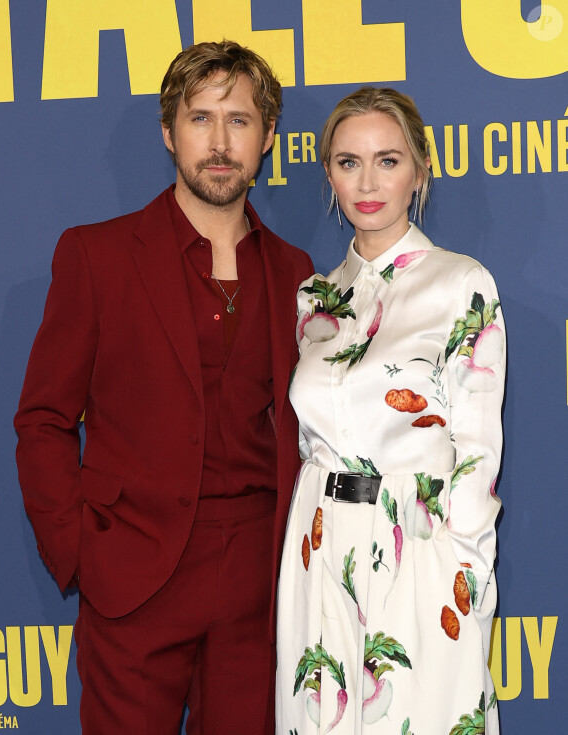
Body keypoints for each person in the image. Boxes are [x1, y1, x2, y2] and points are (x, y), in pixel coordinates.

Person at [14, 40, 313, 735]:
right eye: (200, 117)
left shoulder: (295, 272)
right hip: (133, 576)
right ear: (168, 132)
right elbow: (44, 419)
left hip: (254, 586)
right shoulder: (97, 255)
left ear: (267, 138)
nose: (218, 141)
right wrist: (82, 551)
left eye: (238, 120)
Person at [276, 87, 505, 734]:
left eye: (387, 160)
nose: (368, 181)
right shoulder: (313, 297)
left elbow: (478, 455)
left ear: (420, 171)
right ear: (328, 175)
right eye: (348, 162)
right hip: (318, 549)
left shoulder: (462, 285)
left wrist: (463, 575)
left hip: (421, 548)